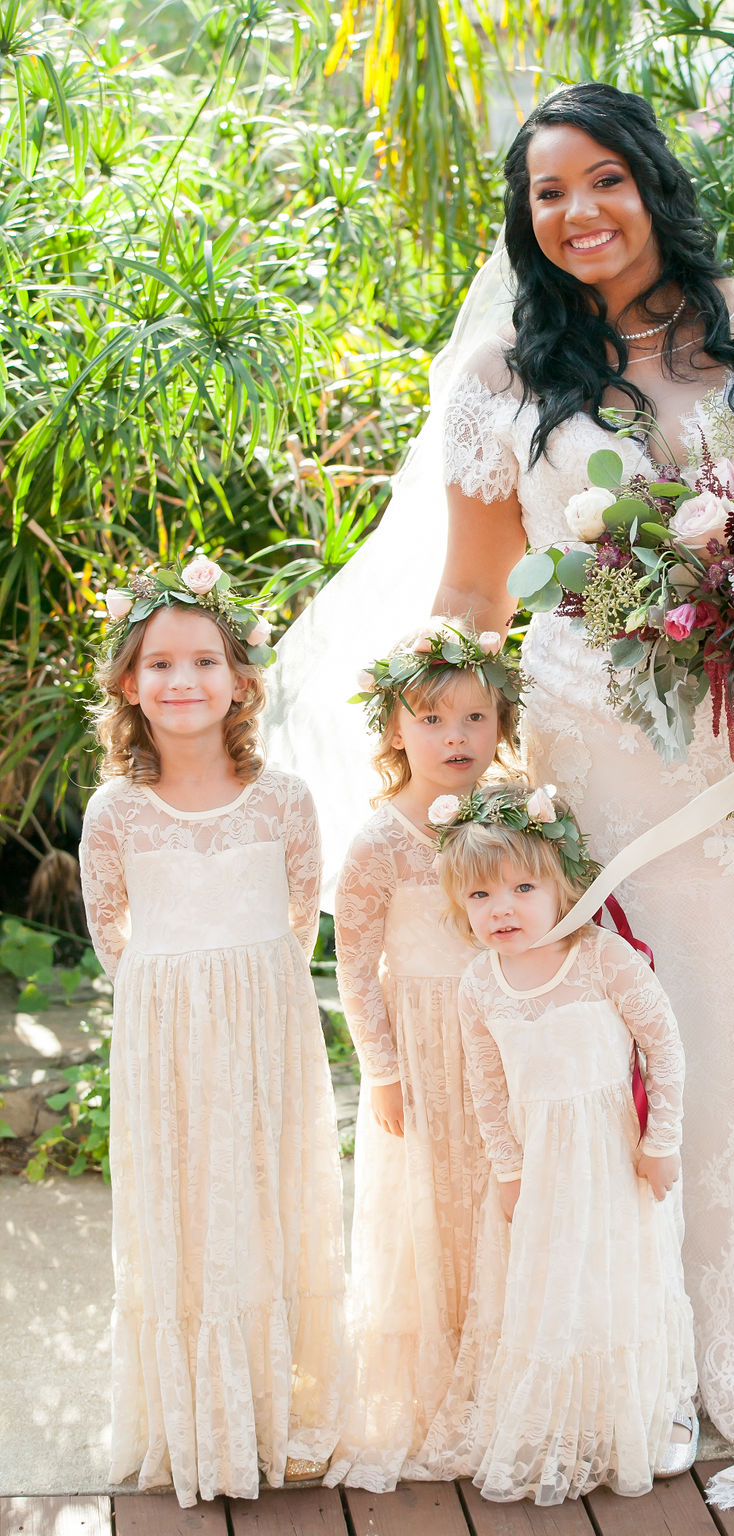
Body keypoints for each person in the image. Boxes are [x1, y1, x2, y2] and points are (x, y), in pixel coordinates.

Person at [263, 80, 734, 1535]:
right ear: (524, 221)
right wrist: (445, 762)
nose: (578, 215)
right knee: (626, 1039)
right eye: (547, 195)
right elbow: (479, 590)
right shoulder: (501, 378)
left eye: (601, 180)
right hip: (597, 761)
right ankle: (637, 1352)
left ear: (650, 183)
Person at [79, 560, 346, 1507]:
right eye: (159, 663)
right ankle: (194, 1418)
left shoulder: (283, 799)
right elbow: (108, 924)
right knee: (184, 1209)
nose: (182, 680)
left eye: (204, 660)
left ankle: (278, 1413)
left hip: (265, 1025)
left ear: (242, 679)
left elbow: (301, 907)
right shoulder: (114, 812)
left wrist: (249, 996)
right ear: (126, 683)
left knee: (267, 1199)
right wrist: (169, 1000)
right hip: (167, 1039)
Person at [416, 783, 697, 1504]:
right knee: (546, 1285)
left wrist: (661, 1141)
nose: (500, 908)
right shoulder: (480, 984)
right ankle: (560, 1412)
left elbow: (663, 1046)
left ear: (563, 883)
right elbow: (484, 1081)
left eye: (520, 887)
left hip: (611, 1156)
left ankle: (647, 1404)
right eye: (479, 897)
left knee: (621, 1276)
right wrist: (507, 1168)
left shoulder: (602, 958)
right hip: (537, 1164)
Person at [326, 624, 523, 1491]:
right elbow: (354, 965)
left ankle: (508, 1372)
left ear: (501, 726)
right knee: (435, 1206)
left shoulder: (519, 815)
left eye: (475, 717)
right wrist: (384, 1069)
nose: (455, 738)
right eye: (433, 719)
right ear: (395, 731)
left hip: (508, 1040)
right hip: (427, 1046)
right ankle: (440, 1383)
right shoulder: (378, 841)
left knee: (504, 1203)